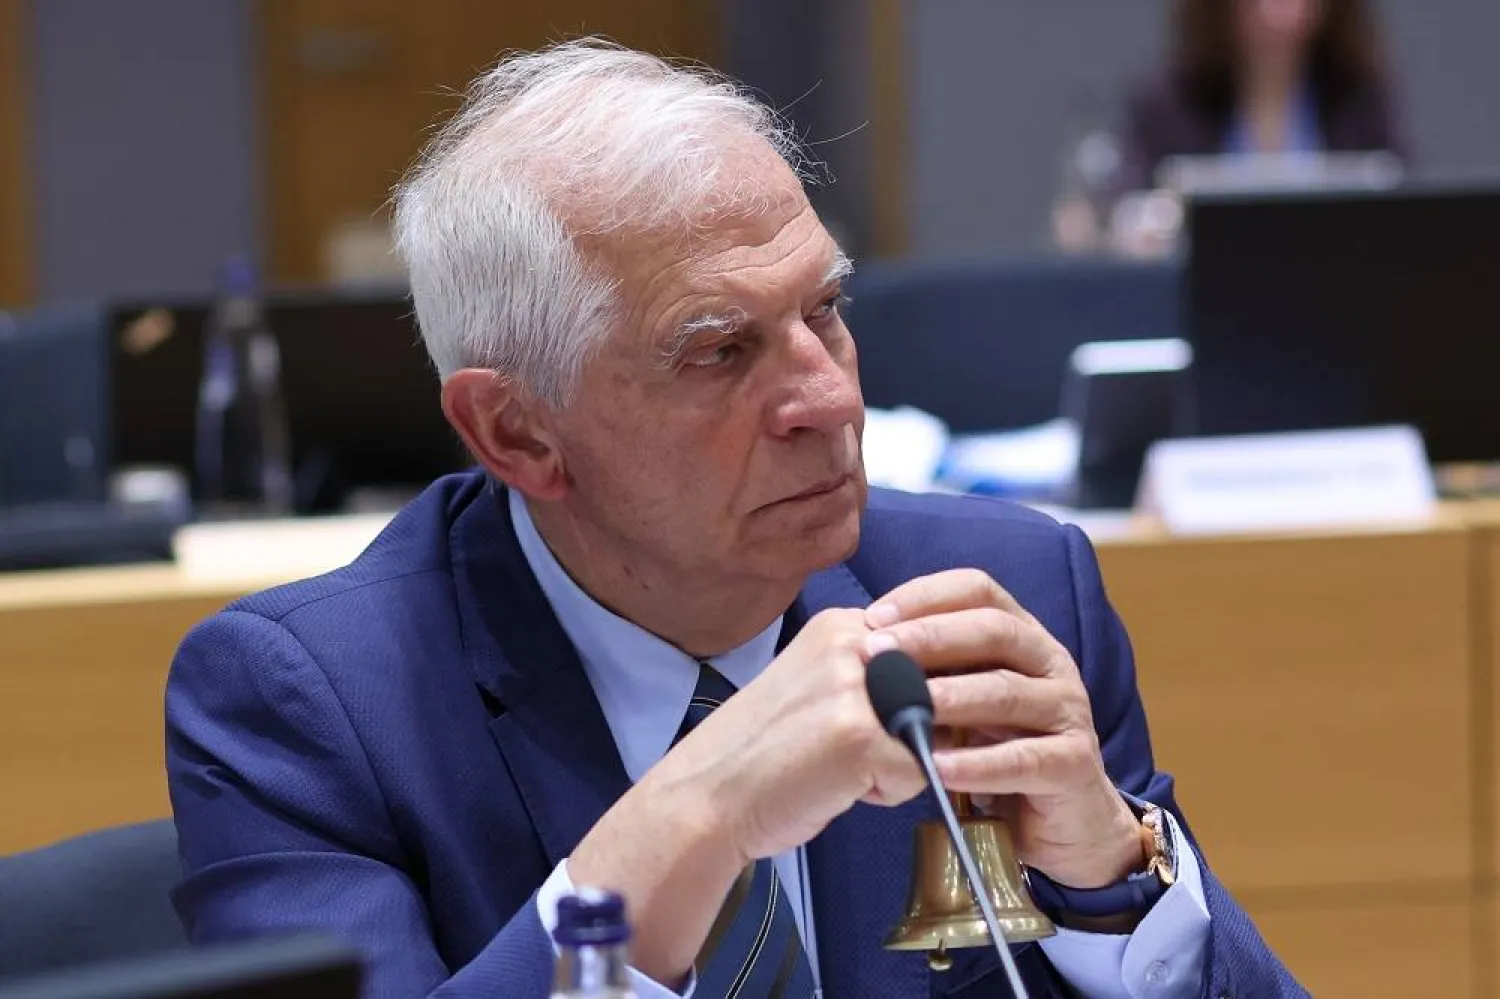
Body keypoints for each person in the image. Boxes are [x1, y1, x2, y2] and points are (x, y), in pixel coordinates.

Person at [165, 39, 1304, 998]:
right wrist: (704, 806)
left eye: (827, 310)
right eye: (719, 351)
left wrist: (1113, 876)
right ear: (518, 434)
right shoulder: (310, 706)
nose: (829, 398)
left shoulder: (1003, 590)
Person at [1116, 0, 1409, 193]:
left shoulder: (1358, 96)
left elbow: (1401, 192)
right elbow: (1125, 202)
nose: (1280, 15)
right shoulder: (1169, 102)